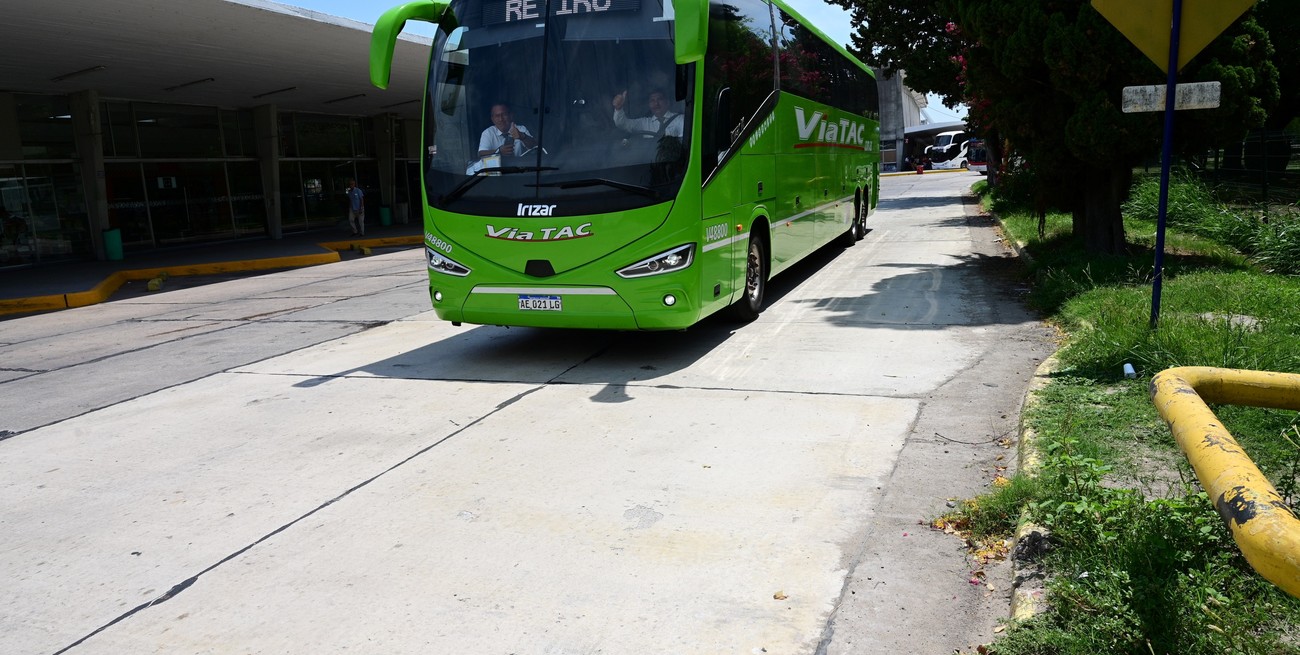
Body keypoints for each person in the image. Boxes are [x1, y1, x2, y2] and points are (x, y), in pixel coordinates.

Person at [611, 89, 683, 138]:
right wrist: (618, 108)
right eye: (652, 100)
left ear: (667, 102)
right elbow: (623, 124)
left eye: (660, 99)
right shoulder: (644, 123)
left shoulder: (680, 119)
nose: (656, 103)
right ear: (649, 105)